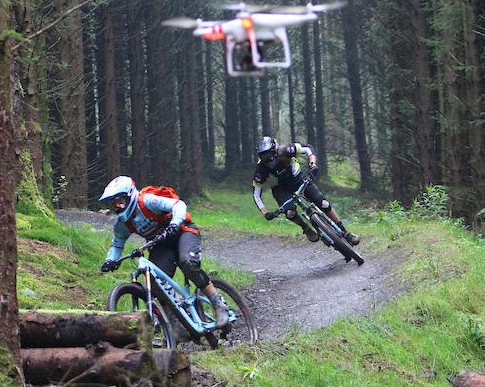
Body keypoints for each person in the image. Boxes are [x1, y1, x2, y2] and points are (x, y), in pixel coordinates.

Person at [99, 176, 228, 328]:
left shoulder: (147, 201)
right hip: (161, 245)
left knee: (187, 263)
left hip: (182, 232)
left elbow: (178, 205)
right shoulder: (122, 223)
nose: (118, 206)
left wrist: (174, 223)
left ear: (130, 195)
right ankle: (174, 323)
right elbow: (117, 244)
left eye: (121, 201)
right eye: (114, 203)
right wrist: (110, 260)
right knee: (154, 281)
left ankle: (217, 302)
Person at [252, 136, 360, 245]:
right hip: (280, 189)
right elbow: (256, 194)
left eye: (269, 154)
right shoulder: (261, 170)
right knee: (290, 213)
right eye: (264, 157)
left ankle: (345, 232)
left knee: (324, 204)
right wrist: (266, 213)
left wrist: (312, 164)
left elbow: (308, 149)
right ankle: (306, 229)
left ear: (275, 150)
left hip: (297, 178)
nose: (268, 159)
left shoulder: (286, 149)